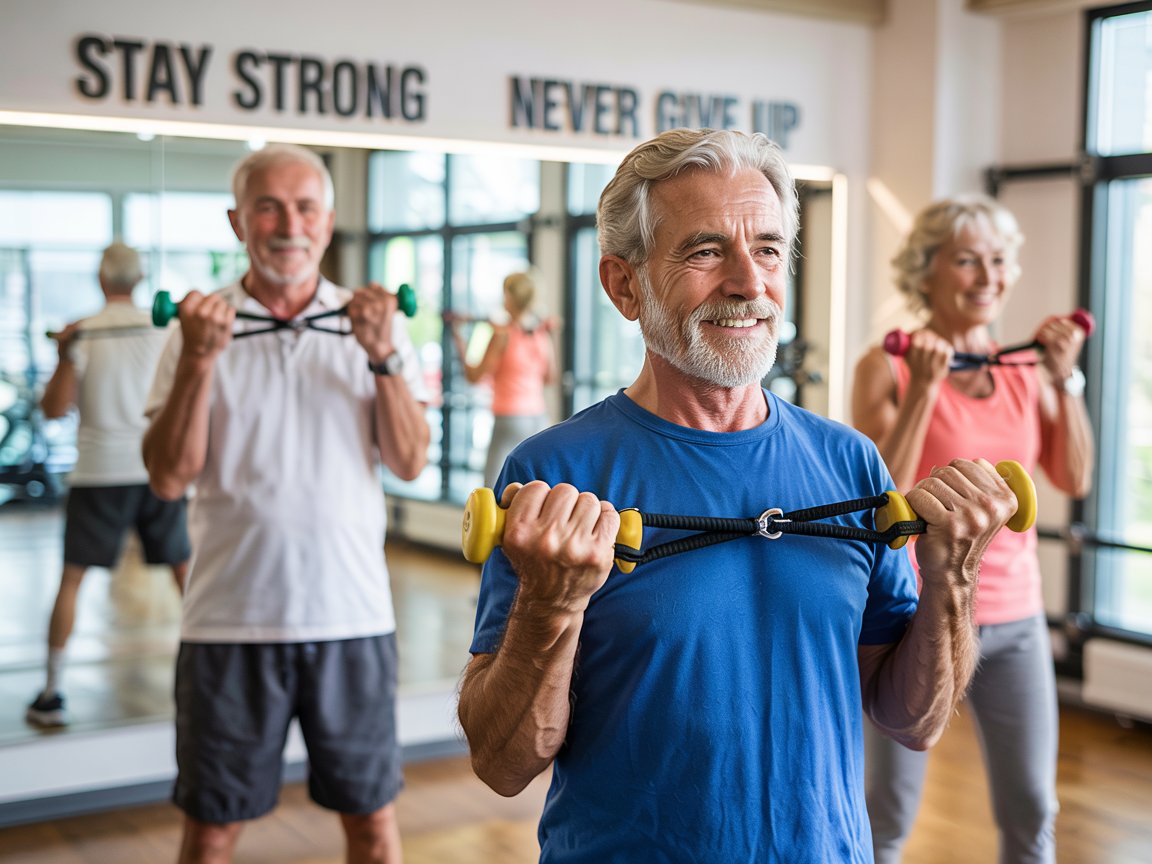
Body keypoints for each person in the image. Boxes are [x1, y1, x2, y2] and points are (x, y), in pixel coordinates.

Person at [455, 128, 1021, 863]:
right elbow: (503, 766)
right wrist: (548, 605)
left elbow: (913, 719)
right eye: (705, 250)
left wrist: (955, 574)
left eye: (768, 249)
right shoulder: (551, 472)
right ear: (624, 284)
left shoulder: (850, 463)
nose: (749, 282)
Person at [142, 143, 430, 864]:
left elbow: (409, 459)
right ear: (238, 221)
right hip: (229, 621)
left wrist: (382, 357)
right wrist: (202, 359)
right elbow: (169, 478)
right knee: (211, 830)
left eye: (304, 208)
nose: (287, 224)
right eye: (268, 206)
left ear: (327, 223)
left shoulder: (374, 323)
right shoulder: (197, 326)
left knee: (372, 824)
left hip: (351, 616)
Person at [851, 195, 1094, 864]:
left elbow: (1073, 478)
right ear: (926, 272)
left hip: (1015, 617)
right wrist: (924, 390)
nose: (987, 276)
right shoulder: (887, 366)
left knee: (1033, 808)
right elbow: (878, 502)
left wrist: (1066, 378)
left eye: (999, 260)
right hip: (914, 615)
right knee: (888, 815)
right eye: (967, 261)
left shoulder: (1027, 372)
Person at [25, 242, 190, 729]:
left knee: (72, 580)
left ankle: (52, 692)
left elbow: (53, 410)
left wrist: (64, 354)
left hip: (103, 473)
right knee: (188, 577)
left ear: (102, 279)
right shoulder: (165, 328)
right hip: (155, 469)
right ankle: (213, 679)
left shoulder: (84, 332)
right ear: (138, 280)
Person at [445, 271, 560, 487]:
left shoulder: (502, 335)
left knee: (491, 491)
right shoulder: (540, 334)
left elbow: (473, 376)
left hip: (510, 418)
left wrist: (458, 337)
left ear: (509, 297)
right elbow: (550, 378)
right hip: (539, 419)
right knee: (533, 489)